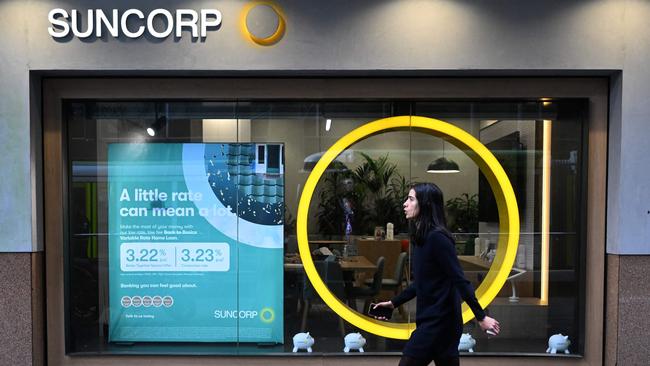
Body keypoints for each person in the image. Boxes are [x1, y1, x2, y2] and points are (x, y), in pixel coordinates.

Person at [373, 183, 500, 366]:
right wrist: (394, 303)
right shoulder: (421, 238)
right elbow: (421, 283)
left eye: (410, 199)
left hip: (440, 323)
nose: (404, 204)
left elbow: (460, 280)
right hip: (431, 320)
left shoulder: (438, 238)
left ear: (425, 204)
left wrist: (481, 316)